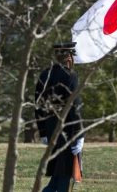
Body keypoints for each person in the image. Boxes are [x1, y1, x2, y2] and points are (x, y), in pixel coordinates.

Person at [35, 42, 84, 192]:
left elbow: (38, 105)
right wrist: (79, 134)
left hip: (50, 128)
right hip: (67, 129)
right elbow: (73, 106)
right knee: (64, 175)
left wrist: (43, 131)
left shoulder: (45, 74)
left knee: (57, 174)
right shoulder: (70, 75)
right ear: (69, 57)